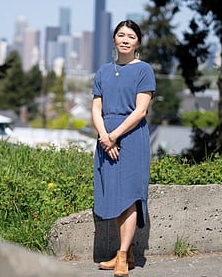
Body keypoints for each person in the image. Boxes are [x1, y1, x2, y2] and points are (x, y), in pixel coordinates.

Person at [92, 20, 156, 277]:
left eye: (131, 36)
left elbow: (141, 111)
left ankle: (121, 255)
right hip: (105, 139)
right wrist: (104, 137)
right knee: (116, 196)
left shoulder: (144, 70)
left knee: (129, 197)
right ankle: (126, 253)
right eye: (121, 35)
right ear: (114, 39)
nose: (125, 39)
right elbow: (96, 109)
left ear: (138, 42)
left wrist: (115, 135)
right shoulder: (103, 72)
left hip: (131, 139)